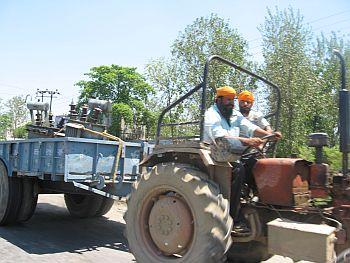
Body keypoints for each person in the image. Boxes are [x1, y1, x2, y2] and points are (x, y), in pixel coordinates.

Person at [204, 86, 281, 234]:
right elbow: (220, 137)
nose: (231, 103)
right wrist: (248, 141)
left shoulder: (234, 114)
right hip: (215, 151)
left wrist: (269, 134)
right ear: (218, 99)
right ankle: (234, 217)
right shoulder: (211, 114)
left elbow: (250, 127)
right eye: (227, 100)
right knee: (238, 171)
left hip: (233, 152)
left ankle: (260, 205)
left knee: (255, 164)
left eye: (232, 100)